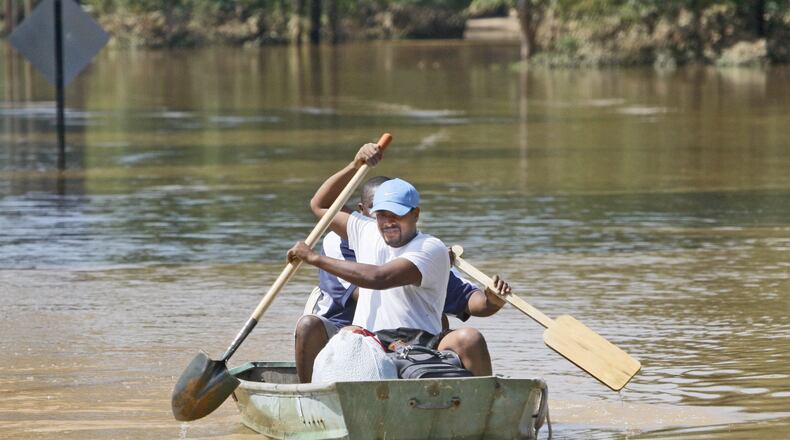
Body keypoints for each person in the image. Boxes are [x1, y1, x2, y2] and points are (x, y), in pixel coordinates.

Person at [288, 143, 509, 380]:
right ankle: (312, 396)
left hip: (422, 341)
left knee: (471, 338)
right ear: (372, 214)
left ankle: (487, 403)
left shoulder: (430, 248)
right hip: (370, 341)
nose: (389, 222)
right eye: (382, 214)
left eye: (398, 214)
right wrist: (355, 165)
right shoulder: (365, 230)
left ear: (415, 214)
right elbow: (320, 204)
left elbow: (380, 278)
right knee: (346, 333)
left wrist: (314, 258)